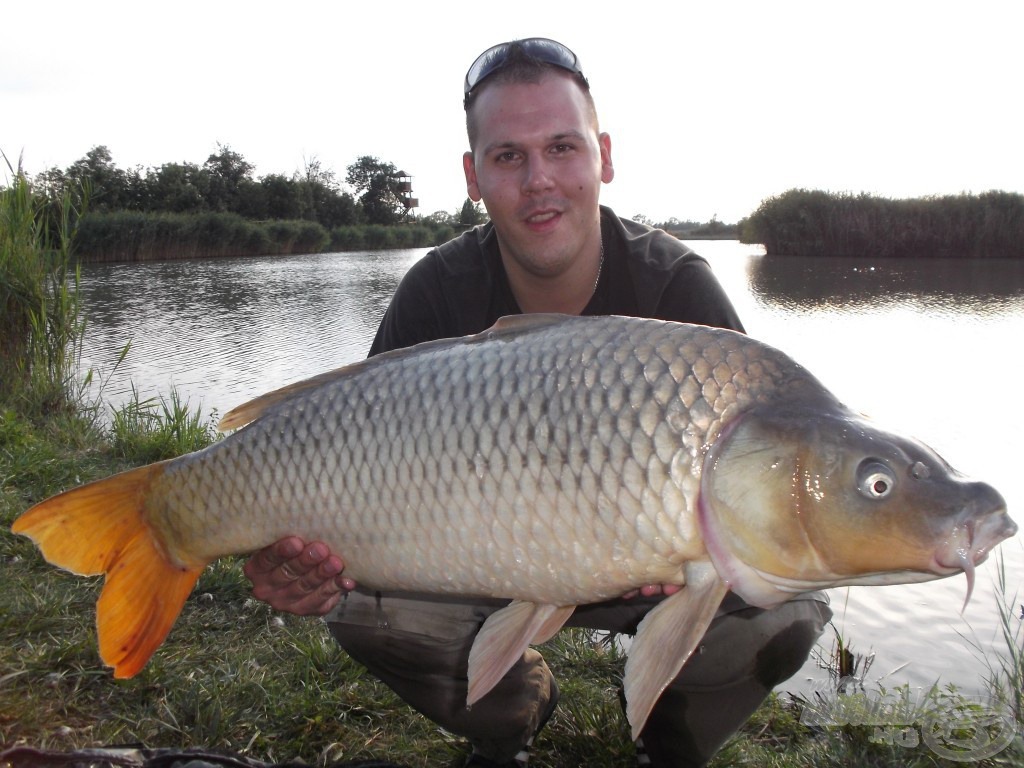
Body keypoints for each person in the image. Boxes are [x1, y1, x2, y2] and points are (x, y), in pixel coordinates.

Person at [243, 38, 831, 768]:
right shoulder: (436, 292)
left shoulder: (679, 291)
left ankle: (669, 739)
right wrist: (295, 557)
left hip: (650, 562)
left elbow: (751, 474)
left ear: (603, 157)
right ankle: (509, 714)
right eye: (509, 156)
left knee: (787, 605)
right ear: (473, 176)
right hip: (483, 563)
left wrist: (689, 547)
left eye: (562, 147)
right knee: (361, 608)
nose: (540, 180)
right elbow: (360, 469)